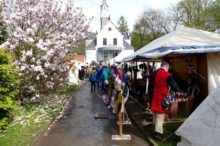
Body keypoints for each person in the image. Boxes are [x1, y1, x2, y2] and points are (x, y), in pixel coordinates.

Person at [148, 62, 182, 141]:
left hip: (153, 96)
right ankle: (158, 134)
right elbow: (173, 84)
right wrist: (180, 90)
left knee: (155, 114)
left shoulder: (153, 73)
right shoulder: (167, 74)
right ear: (166, 67)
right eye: (168, 69)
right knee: (160, 115)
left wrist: (149, 98)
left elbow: (150, 87)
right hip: (160, 97)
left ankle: (155, 129)